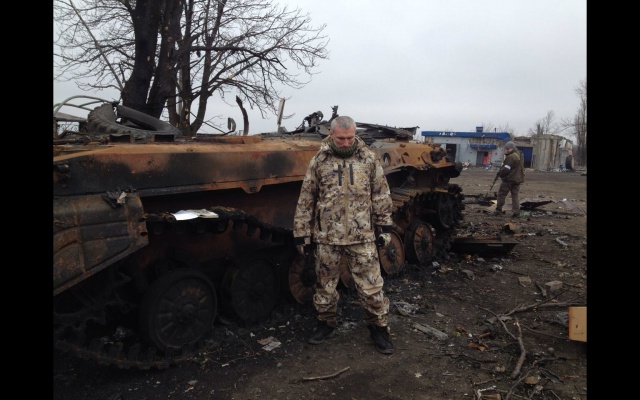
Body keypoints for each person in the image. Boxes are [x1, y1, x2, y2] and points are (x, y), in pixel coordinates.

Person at [292, 115, 395, 355]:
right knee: (325, 285)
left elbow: (381, 194)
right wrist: (302, 234)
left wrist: (385, 228)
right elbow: (307, 198)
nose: (346, 143)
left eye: (350, 138)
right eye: (341, 138)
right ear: (331, 134)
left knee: (371, 286)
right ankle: (325, 323)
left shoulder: (368, 159)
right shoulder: (320, 160)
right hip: (327, 236)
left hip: (362, 235)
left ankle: (378, 328)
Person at [493, 141, 525, 217]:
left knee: (501, 194)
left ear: (512, 148)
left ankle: (498, 210)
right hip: (517, 179)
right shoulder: (519, 155)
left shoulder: (511, 157)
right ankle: (516, 212)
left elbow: (506, 169)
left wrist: (501, 174)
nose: (507, 150)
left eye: (508, 149)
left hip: (509, 179)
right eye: (506, 149)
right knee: (515, 196)